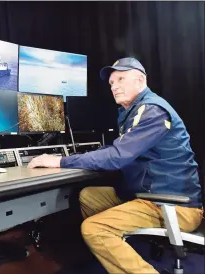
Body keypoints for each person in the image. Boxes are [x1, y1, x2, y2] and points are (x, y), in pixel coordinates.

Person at [28, 57, 203, 274]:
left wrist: (59, 161)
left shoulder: (152, 110)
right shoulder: (132, 112)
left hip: (173, 205)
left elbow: (117, 156)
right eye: (111, 83)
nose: (115, 87)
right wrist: (78, 156)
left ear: (140, 80)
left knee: (94, 229)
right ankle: (116, 253)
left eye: (121, 79)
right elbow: (115, 149)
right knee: (89, 195)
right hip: (146, 194)